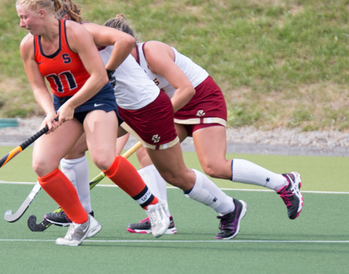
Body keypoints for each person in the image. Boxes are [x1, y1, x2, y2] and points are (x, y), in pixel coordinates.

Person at [43, 0, 248, 240]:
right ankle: (83, 216)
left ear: (60, 19)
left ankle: (229, 207)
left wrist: (107, 72)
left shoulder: (85, 32)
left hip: (148, 108)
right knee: (73, 148)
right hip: (119, 108)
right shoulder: (56, 45)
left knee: (176, 175)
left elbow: (125, 41)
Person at [102, 15, 303, 234]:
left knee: (213, 166)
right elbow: (127, 116)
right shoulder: (120, 72)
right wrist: (112, 153)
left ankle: (283, 182)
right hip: (171, 107)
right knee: (147, 153)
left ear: (128, 42)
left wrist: (157, 118)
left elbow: (186, 90)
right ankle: (161, 216)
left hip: (200, 98)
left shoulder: (152, 52)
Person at [15, 0, 171, 246]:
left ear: (42, 14)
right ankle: (82, 221)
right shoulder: (28, 46)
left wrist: (72, 104)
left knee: (104, 158)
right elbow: (38, 86)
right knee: (42, 164)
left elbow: (99, 77)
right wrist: (49, 112)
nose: (21, 24)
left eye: (25, 18)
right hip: (64, 105)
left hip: (96, 98)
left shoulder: (75, 33)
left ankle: (154, 206)